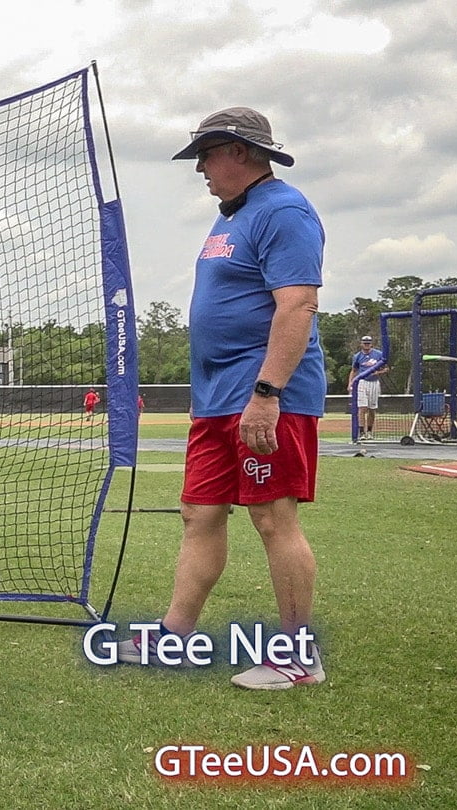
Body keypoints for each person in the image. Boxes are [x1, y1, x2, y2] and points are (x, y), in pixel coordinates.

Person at [119, 107, 327, 690]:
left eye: (206, 156)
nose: (200, 170)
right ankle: (175, 636)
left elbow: (298, 305)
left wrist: (267, 393)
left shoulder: (284, 211)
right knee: (199, 513)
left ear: (238, 151)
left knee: (271, 517)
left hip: (265, 395)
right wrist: (210, 393)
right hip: (218, 399)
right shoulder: (231, 217)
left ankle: (297, 657)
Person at [347, 335, 386, 440]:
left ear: (371, 344)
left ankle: (369, 431)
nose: (366, 345)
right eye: (365, 343)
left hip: (374, 383)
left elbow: (386, 368)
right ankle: (361, 432)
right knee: (362, 407)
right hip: (362, 382)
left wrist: (378, 372)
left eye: (368, 343)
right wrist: (350, 383)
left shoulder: (378, 354)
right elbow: (354, 370)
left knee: (372, 409)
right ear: (361, 344)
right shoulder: (357, 356)